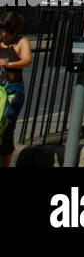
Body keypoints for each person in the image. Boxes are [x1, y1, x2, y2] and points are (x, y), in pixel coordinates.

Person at [0, 12, 32, 167]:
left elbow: (27, 60)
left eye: (8, 31)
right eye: (2, 30)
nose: (4, 34)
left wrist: (9, 64)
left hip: (13, 90)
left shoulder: (21, 42)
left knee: (6, 126)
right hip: (0, 91)